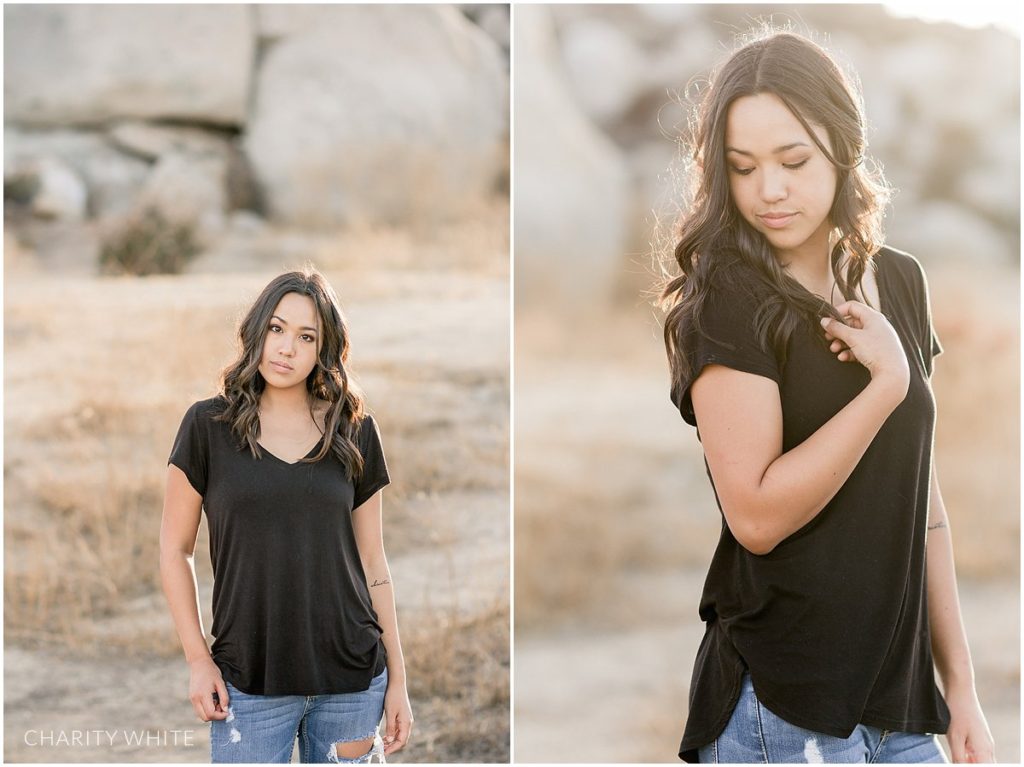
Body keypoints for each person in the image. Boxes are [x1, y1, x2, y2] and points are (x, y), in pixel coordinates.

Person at [657, 29, 994, 764]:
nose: (769, 190)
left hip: (901, 708)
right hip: (781, 707)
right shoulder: (728, 300)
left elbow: (924, 507)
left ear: (844, 146)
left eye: (794, 160)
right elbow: (756, 515)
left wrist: (959, 687)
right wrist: (885, 387)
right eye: (742, 168)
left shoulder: (900, 280)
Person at [160, 265, 413, 763]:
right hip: (250, 683)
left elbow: (373, 562)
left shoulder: (354, 431)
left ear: (324, 350)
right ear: (256, 330)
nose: (286, 348)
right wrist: (197, 660)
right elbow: (174, 550)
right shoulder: (206, 427)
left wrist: (399, 680)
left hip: (352, 681)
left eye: (306, 337)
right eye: (276, 329)